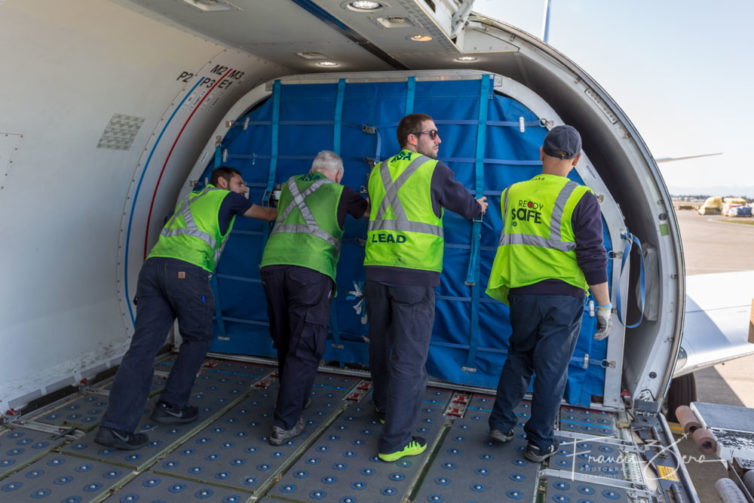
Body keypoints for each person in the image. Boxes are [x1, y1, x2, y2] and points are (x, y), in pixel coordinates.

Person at [95, 166, 276, 450]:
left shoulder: (193, 198)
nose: (243, 189)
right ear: (222, 181)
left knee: (142, 349)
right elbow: (269, 215)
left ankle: (115, 427)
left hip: (153, 269)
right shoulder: (225, 197)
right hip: (187, 272)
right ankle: (172, 405)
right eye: (240, 183)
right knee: (198, 336)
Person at [365, 113, 488, 462]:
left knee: (381, 346)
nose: (439, 140)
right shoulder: (433, 170)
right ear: (411, 139)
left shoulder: (378, 170)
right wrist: (478, 207)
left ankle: (384, 407)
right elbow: (466, 207)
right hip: (413, 274)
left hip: (376, 271)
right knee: (410, 358)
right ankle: (395, 442)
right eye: (433, 134)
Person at [485, 125, 612, 463]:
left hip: (522, 293)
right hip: (563, 296)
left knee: (519, 357)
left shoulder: (511, 193)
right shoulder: (580, 198)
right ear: (577, 159)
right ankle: (539, 442)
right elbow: (592, 255)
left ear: (541, 152)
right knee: (552, 369)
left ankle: (500, 424)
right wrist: (605, 306)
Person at [260, 150, 368, 446]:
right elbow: (370, 212)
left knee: (285, 339)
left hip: (272, 265)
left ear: (313, 169)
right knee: (305, 345)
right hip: (310, 269)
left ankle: (294, 398)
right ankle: (286, 422)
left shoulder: (290, 184)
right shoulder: (340, 191)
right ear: (338, 173)